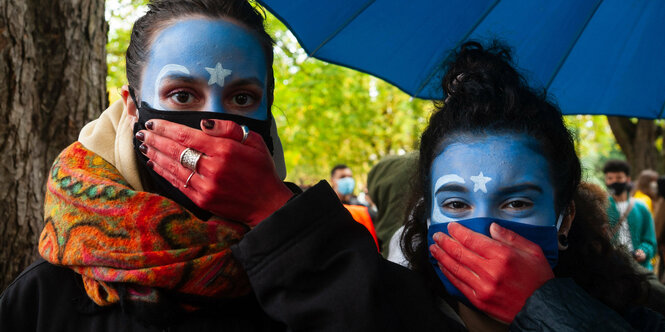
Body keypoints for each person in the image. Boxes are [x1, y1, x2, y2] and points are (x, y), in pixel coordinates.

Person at [0, 1, 464, 331]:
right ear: (133, 111)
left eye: (242, 98)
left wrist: (272, 210)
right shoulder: (44, 297)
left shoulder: (334, 255)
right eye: (181, 95)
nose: (213, 122)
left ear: (268, 119)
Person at [401, 41, 664, 330]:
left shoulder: (640, 321)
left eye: (517, 203)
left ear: (564, 222)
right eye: (455, 204)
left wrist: (547, 310)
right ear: (427, 220)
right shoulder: (387, 316)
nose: (486, 233)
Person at [604, 160, 657, 270]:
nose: (614, 182)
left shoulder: (641, 207)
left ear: (627, 179)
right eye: (610, 178)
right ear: (606, 180)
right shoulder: (601, 207)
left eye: (619, 178)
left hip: (639, 268)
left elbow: (650, 240)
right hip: (611, 269)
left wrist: (644, 251)